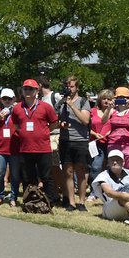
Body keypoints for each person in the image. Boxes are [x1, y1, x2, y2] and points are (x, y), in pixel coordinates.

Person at [11, 78, 60, 205]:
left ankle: (50, 201)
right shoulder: (17, 108)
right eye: (25, 89)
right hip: (25, 148)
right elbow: (16, 125)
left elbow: (54, 123)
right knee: (27, 177)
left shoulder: (45, 107)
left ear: (36, 91)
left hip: (43, 148)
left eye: (30, 89)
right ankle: (29, 201)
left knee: (46, 176)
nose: (27, 91)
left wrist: (43, 132)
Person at [56, 76, 92, 212]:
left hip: (80, 140)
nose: (69, 89)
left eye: (71, 86)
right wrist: (61, 124)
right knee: (68, 172)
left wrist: (71, 105)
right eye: (67, 86)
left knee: (81, 171)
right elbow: (55, 120)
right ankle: (71, 202)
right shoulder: (60, 103)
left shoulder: (83, 101)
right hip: (65, 140)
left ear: (77, 88)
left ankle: (81, 202)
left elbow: (85, 120)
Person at [0, 88, 20, 207]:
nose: (7, 101)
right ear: (1, 100)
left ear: (14, 99)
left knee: (15, 175)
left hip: (15, 147)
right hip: (0, 148)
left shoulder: (17, 111)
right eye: (4, 98)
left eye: (9, 98)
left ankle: (13, 197)